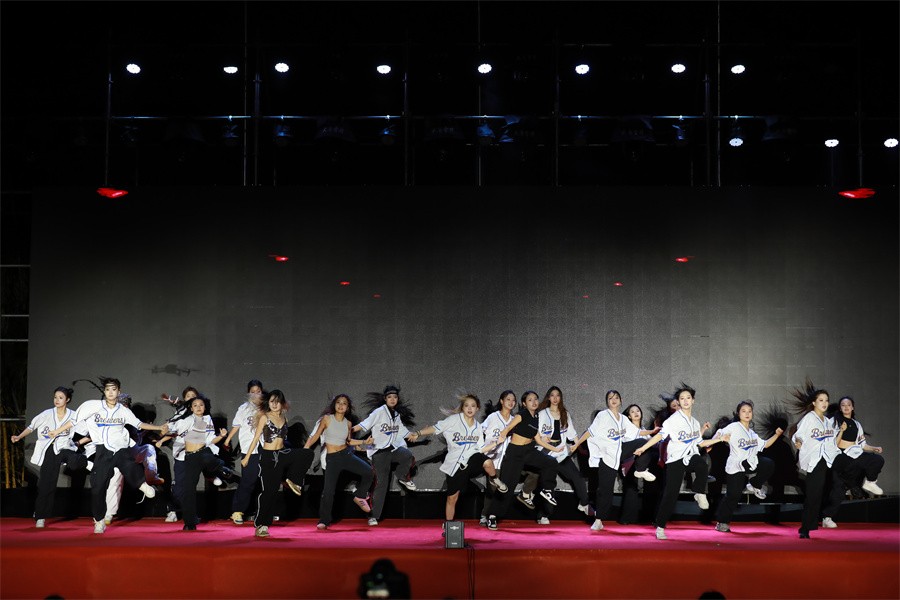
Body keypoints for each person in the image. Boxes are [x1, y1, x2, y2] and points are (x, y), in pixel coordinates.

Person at [58, 377, 169, 534]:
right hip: (102, 452)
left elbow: (138, 424)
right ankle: (100, 520)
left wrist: (158, 428)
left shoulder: (124, 412)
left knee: (130, 462)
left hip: (121, 449)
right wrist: (59, 432)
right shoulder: (93, 409)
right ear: (104, 392)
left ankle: (143, 484)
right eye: (108, 389)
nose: (111, 392)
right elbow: (77, 425)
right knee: (98, 487)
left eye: (114, 389)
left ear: (119, 392)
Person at [633, 383, 728, 540]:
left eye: (688, 398)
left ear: (693, 400)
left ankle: (699, 492)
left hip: (689, 457)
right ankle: (660, 526)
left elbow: (700, 443)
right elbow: (660, 436)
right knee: (670, 494)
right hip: (675, 459)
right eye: (682, 398)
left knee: (702, 464)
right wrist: (643, 448)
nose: (685, 401)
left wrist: (719, 439)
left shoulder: (695, 422)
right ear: (678, 401)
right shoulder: (673, 420)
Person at [410, 393, 506, 529]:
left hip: (472, 459)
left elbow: (481, 449)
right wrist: (418, 433)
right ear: (462, 408)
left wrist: (496, 442)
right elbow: (436, 428)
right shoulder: (454, 420)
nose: (470, 408)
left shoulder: (478, 427)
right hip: (455, 464)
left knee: (487, 462)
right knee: (452, 498)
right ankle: (448, 525)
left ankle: (495, 479)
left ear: (477, 408)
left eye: (473, 406)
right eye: (466, 406)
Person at [571, 390, 659, 531]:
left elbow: (637, 432)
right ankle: (599, 519)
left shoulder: (623, 419)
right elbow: (590, 432)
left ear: (620, 400)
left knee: (642, 442)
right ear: (607, 401)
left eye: (616, 397)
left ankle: (640, 470)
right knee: (605, 490)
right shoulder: (603, 415)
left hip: (621, 450)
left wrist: (652, 432)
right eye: (610, 398)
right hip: (607, 455)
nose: (613, 400)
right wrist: (577, 444)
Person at [10, 386, 88, 528]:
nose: (57, 400)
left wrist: (78, 443)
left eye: (60, 398)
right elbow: (32, 427)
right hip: (49, 450)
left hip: (65, 448)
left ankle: (83, 460)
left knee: (75, 460)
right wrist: (19, 436)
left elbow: (88, 432)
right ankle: (40, 516)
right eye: (55, 397)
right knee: (46, 484)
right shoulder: (47, 414)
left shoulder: (73, 415)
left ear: (67, 400)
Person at [482, 390, 561, 530]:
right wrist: (501, 436)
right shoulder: (521, 414)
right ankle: (492, 515)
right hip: (515, 453)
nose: (534, 402)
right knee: (507, 487)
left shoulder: (536, 416)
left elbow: (538, 439)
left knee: (551, 462)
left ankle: (547, 490)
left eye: (535, 399)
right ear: (524, 403)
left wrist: (555, 450)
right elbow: (508, 427)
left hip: (529, 450)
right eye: (530, 400)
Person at [240, 389, 313, 537]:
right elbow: (256, 438)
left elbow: (282, 440)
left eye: (277, 402)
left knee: (307, 453)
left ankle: (294, 480)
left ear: (282, 404)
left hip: (281, 453)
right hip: (268, 457)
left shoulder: (284, 418)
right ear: (268, 403)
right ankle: (262, 524)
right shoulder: (265, 417)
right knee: (270, 492)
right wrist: (247, 457)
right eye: (272, 401)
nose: (274, 404)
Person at [517, 386, 591, 524]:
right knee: (548, 487)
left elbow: (572, 434)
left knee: (577, 478)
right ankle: (543, 515)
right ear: (548, 397)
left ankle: (584, 504)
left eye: (558, 395)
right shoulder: (542, 414)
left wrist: (577, 445)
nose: (555, 398)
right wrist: (541, 438)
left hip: (561, 454)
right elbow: (534, 434)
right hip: (546, 455)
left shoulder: (565, 414)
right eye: (552, 395)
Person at [303, 394, 375, 530]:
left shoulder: (348, 423)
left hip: (346, 455)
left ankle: (359, 495)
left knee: (369, 472)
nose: (341, 405)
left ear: (347, 408)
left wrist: (364, 442)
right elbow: (316, 436)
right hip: (332, 458)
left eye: (344, 403)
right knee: (328, 491)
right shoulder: (327, 419)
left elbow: (348, 441)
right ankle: (324, 520)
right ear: (334, 405)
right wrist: (305, 450)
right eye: (338, 402)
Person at [712, 400, 783, 533]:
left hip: (750, 463)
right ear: (738, 413)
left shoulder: (752, 433)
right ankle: (722, 522)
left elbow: (766, 445)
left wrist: (777, 435)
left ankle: (755, 484)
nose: (747, 413)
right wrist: (717, 440)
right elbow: (719, 433)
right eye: (744, 411)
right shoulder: (734, 427)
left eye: (749, 411)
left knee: (768, 463)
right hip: (736, 465)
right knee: (733, 495)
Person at [164, 394, 233, 530]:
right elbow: (172, 428)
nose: (198, 407)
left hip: (203, 452)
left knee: (206, 455)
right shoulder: (187, 420)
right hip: (190, 457)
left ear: (205, 407)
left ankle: (221, 468)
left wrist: (221, 436)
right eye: (195, 405)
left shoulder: (206, 420)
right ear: (191, 408)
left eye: (201, 405)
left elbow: (210, 440)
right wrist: (165, 429)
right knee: (188, 490)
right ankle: (190, 522)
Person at [353, 385, 417, 527]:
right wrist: (348, 430)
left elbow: (402, 431)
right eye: (389, 397)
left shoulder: (396, 415)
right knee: (381, 484)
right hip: (379, 452)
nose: (392, 399)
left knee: (407, 455)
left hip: (392, 449)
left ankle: (402, 477)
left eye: (395, 397)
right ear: (385, 399)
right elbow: (364, 425)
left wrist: (413, 435)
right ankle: (373, 515)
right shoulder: (379, 412)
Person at [788, 378, 841, 539]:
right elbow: (799, 434)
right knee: (813, 494)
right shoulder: (810, 418)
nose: (824, 403)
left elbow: (833, 441)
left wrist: (841, 431)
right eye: (821, 400)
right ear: (814, 403)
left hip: (826, 459)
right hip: (814, 459)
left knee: (818, 493)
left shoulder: (827, 421)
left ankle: (810, 525)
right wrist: (798, 441)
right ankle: (805, 528)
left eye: (826, 400)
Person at [155, 385, 201, 522]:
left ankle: (191, 514)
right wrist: (162, 439)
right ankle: (173, 510)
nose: (191, 398)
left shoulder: (201, 415)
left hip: (195, 453)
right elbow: (173, 429)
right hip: (181, 454)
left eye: (193, 396)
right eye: (188, 396)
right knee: (179, 483)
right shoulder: (181, 413)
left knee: (191, 485)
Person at [223, 379, 265, 525]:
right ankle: (238, 510)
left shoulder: (266, 407)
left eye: (258, 391)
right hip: (249, 449)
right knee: (248, 480)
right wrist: (228, 439)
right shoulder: (243, 408)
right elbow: (237, 425)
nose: (255, 394)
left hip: (266, 447)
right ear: (248, 393)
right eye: (252, 392)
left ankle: (262, 512)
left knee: (265, 481)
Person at [831, 396, 884, 498]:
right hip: (841, 455)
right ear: (840, 408)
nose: (846, 407)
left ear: (852, 407)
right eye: (843, 405)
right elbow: (833, 444)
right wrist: (841, 431)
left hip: (854, 453)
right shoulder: (835, 422)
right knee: (852, 468)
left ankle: (870, 482)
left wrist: (874, 448)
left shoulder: (857, 424)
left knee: (878, 459)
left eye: (848, 405)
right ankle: (848, 486)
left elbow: (862, 445)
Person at [478, 390, 516, 525]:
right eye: (508, 399)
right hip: (492, 459)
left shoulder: (514, 420)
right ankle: (485, 515)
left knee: (503, 489)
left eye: (513, 400)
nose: (511, 402)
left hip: (508, 460)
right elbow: (479, 430)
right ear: (501, 401)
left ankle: (493, 515)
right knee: (493, 488)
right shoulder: (493, 417)